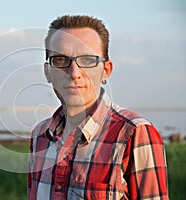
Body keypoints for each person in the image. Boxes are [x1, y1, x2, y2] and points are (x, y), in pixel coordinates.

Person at [28, 15, 168, 200]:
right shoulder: (40, 136)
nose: (74, 73)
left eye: (87, 60)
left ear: (106, 70)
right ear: (47, 72)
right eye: (61, 60)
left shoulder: (134, 134)